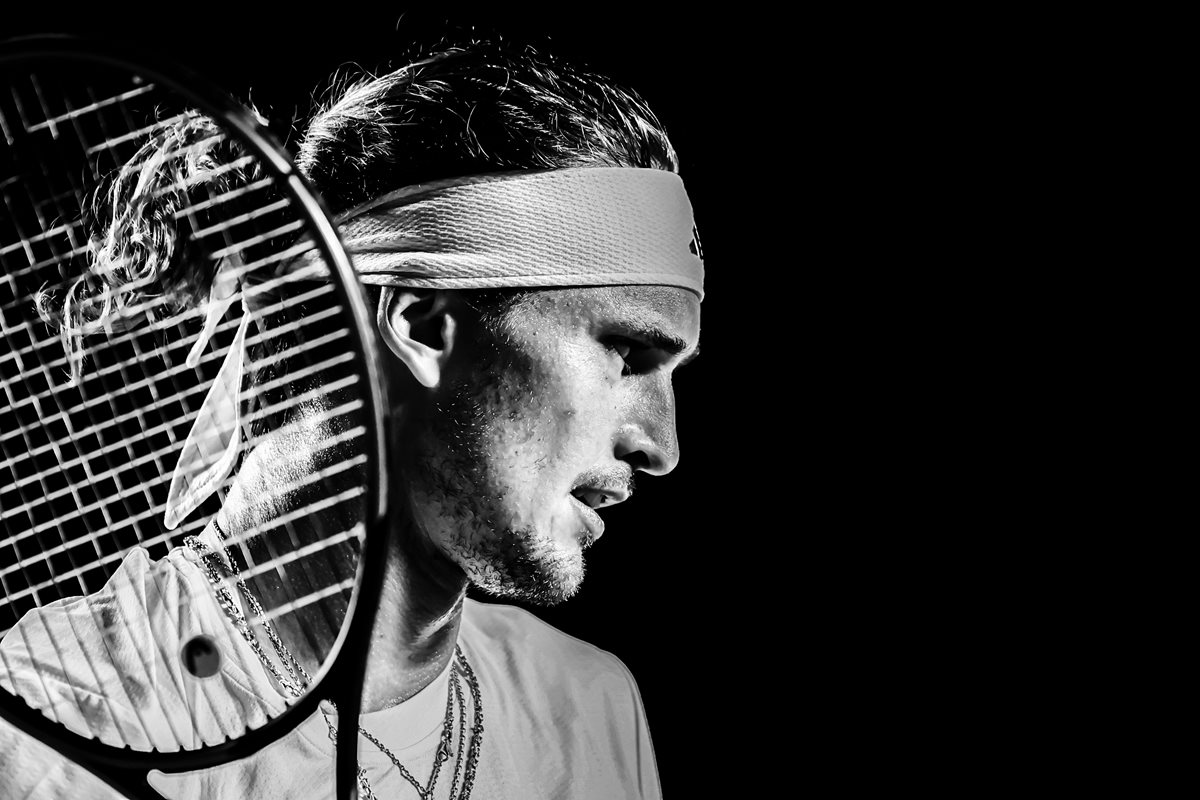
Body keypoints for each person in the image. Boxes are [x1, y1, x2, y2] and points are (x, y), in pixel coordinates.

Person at [0, 37, 702, 799]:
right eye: (628, 353)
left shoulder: (591, 707)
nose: (662, 446)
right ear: (423, 325)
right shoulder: (49, 730)